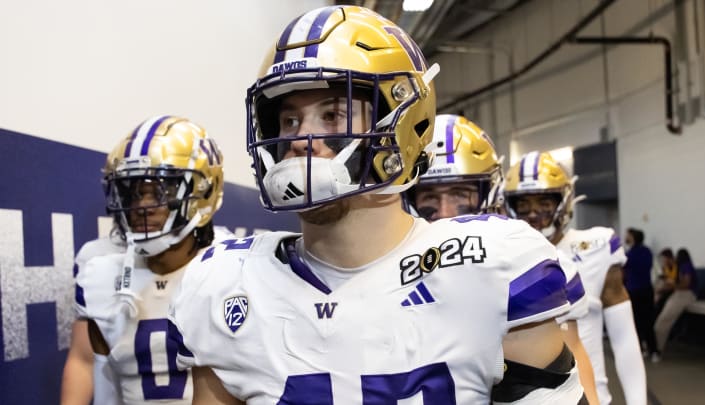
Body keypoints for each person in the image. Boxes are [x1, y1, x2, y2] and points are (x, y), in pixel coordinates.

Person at [169, 6, 586, 404]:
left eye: (332, 115)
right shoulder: (226, 282)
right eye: (290, 120)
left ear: (402, 124)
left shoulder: (489, 265)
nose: (299, 138)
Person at [407, 114, 599, 404]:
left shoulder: (529, 264)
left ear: (491, 191)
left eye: (460, 193)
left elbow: (568, 369)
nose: (445, 212)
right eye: (429, 196)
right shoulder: (382, 267)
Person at [72, 115, 225, 404]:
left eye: (162, 190)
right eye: (133, 192)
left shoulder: (235, 267)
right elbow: (87, 365)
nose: (143, 206)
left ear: (203, 190)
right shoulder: (100, 272)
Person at [503, 151, 647, 405]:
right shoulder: (497, 254)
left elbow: (624, 337)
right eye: (523, 204)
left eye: (544, 202)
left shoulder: (596, 246)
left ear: (565, 200)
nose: (533, 213)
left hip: (590, 397)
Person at [61, 228, 126, 405]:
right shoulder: (97, 258)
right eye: (133, 198)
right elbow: (84, 359)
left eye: (160, 197)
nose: (144, 206)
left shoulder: (208, 258)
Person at [654, 248, 698, 356]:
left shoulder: (685, 266)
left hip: (686, 294)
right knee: (660, 318)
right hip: (680, 293)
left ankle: (657, 348)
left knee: (663, 321)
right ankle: (654, 346)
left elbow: (685, 285)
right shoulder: (679, 267)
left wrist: (671, 286)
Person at [624, 227, 660, 360]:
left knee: (637, 322)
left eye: (627, 236)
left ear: (633, 237)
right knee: (647, 322)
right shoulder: (647, 252)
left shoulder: (630, 254)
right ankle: (653, 351)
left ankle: (643, 349)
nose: (625, 238)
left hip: (635, 291)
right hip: (646, 290)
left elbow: (624, 271)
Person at [654, 248, 676, 317]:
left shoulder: (677, 267)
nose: (662, 261)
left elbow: (675, 282)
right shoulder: (665, 268)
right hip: (665, 289)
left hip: (674, 290)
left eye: (663, 259)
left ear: (668, 258)